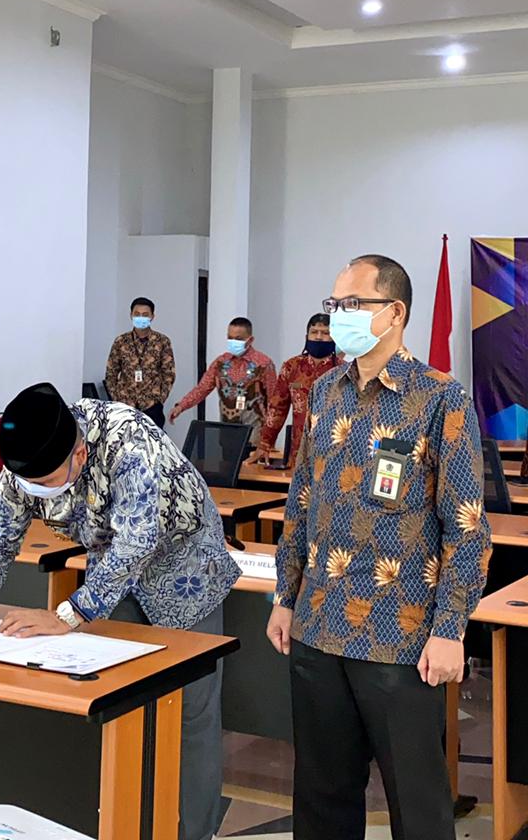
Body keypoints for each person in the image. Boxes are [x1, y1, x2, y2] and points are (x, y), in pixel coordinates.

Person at [0, 382, 239, 840]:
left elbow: (136, 542)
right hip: (109, 576)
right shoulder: (25, 464)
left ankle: (194, 831)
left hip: (186, 570)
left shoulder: (130, 442)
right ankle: (122, 824)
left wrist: (66, 615)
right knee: (117, 706)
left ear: (79, 454)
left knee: (189, 714)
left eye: (46, 484)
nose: (38, 493)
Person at [266, 254, 491, 840]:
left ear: (394, 313)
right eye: (333, 304)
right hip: (318, 626)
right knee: (321, 799)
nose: (337, 315)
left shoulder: (440, 398)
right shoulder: (325, 393)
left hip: (400, 638)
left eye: (352, 304)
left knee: (416, 805)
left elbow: (466, 526)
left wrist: (450, 629)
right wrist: (285, 596)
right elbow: (302, 500)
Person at [249, 313, 340, 470]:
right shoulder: (292, 367)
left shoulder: (343, 370)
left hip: (334, 453)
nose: (319, 337)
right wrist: (265, 443)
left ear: (335, 338)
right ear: (306, 336)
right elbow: (277, 408)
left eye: (325, 333)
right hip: (298, 453)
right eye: (314, 332)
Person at [169, 317, 276, 447]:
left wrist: (270, 436)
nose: (233, 342)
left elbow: (274, 400)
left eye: (238, 339)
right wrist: (181, 406)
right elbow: (202, 388)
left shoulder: (263, 364)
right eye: (230, 338)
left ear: (250, 340)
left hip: (255, 434)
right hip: (227, 431)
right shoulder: (220, 362)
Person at [104, 296, 175, 428]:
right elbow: (111, 373)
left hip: (151, 406)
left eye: (145, 314)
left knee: (151, 440)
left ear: (152, 316)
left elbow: (169, 374)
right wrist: (117, 398)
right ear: (131, 315)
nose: (140, 317)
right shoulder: (121, 341)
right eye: (137, 314)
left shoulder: (162, 341)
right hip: (125, 406)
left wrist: (159, 399)